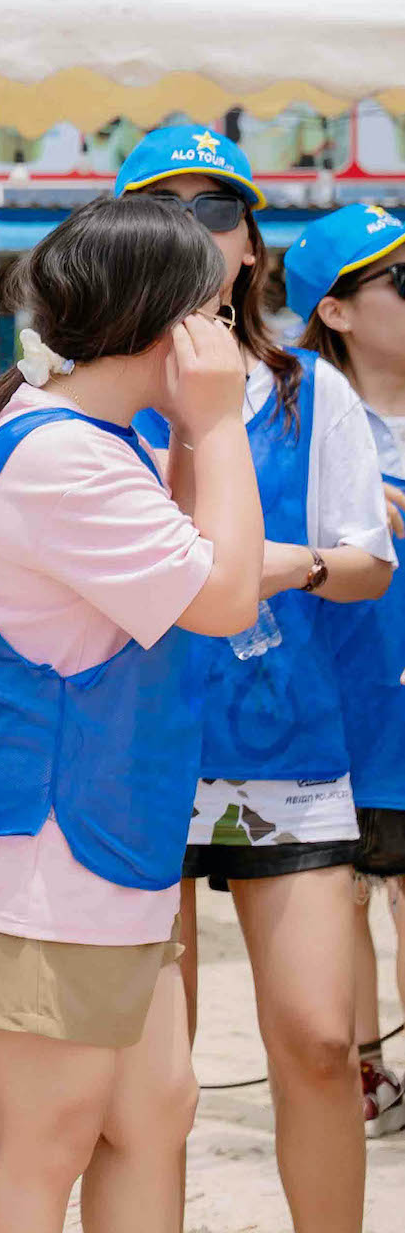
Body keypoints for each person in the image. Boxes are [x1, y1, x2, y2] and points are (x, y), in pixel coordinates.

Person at [0, 196, 265, 1233]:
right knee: (47, 1138)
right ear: (162, 322)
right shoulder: (63, 456)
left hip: (98, 845)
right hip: (44, 849)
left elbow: (201, 557)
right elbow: (224, 594)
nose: (224, 339)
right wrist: (218, 422)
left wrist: (194, 435)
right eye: (213, 314)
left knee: (153, 1111)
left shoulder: (86, 436)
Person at [111, 122, 395, 1233]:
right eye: (166, 206)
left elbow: (368, 562)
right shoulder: (86, 388)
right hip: (130, 752)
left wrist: (295, 565)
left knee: (319, 1041)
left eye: (218, 208)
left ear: (248, 244)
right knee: (150, 1078)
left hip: (284, 745)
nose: (195, 229)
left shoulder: (309, 391)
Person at [283, 202, 405, 1137]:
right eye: (400, 280)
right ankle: (365, 1073)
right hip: (341, 696)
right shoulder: (298, 418)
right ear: (334, 311)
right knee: (345, 891)